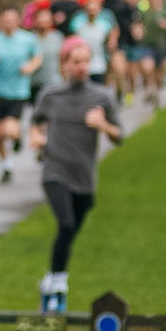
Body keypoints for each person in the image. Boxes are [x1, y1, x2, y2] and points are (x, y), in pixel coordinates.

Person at [29, 36, 122, 311]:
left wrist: (103, 124)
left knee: (69, 231)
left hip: (84, 177)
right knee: (66, 224)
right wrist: (36, 137)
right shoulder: (51, 95)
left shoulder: (101, 96)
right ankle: (58, 283)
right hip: (54, 171)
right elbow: (36, 122)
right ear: (64, 65)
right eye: (76, 62)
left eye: (86, 61)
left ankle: (50, 280)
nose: (82, 67)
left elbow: (120, 136)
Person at [0, 7, 42, 184]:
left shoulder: (27, 39)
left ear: (18, 21)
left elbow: (38, 58)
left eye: (12, 20)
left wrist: (30, 67)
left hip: (19, 93)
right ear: (0, 22)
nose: (8, 23)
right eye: (5, 20)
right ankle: (6, 165)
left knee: (9, 129)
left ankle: (17, 136)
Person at [68, 0, 118, 86]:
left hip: (99, 65)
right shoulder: (77, 22)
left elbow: (111, 39)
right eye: (90, 4)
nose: (92, 7)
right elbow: (71, 40)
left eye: (95, 4)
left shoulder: (105, 24)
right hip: (81, 66)